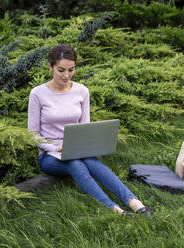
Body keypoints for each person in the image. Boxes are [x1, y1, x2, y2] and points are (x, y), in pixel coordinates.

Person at [28, 44, 151, 216]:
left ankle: (133, 202)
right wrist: (55, 148)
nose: (66, 75)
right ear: (50, 66)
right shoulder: (37, 94)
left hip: (78, 150)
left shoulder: (82, 91)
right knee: (75, 164)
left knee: (92, 162)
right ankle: (113, 209)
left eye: (71, 70)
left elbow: (85, 128)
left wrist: (90, 146)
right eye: (61, 70)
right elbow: (32, 134)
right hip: (49, 155)